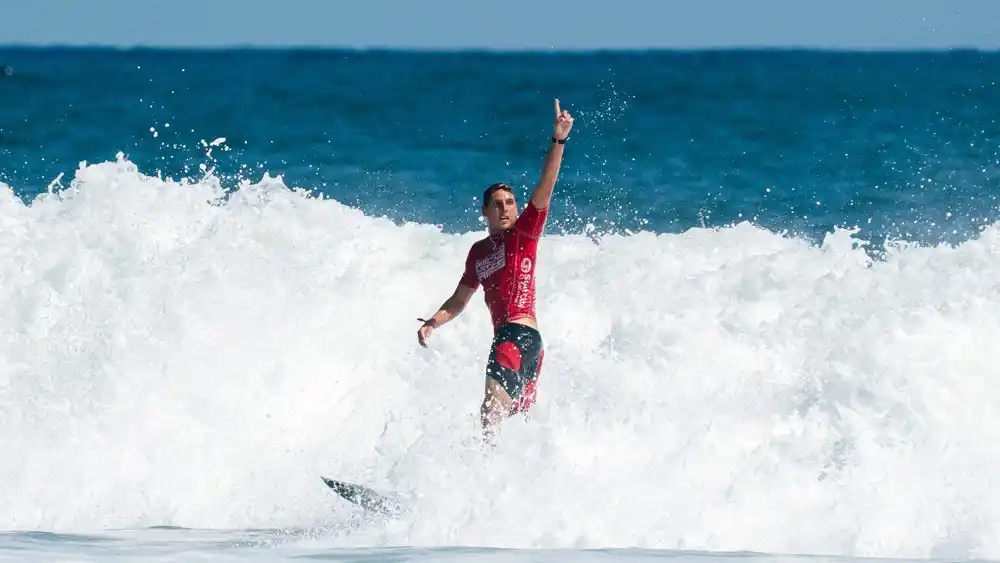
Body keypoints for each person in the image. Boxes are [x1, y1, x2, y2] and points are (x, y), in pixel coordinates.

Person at [416, 98, 574, 440]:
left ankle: (477, 481)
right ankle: (507, 487)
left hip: (518, 336)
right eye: (498, 205)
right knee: (511, 426)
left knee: (492, 409)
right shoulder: (478, 253)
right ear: (485, 212)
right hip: (526, 347)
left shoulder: (524, 234)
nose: (506, 209)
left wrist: (558, 140)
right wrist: (432, 322)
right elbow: (458, 301)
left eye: (510, 203)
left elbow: (544, 189)